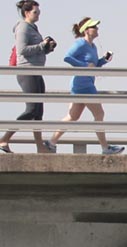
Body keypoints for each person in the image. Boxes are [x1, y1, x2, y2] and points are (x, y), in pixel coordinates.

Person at [47, 18, 123, 154]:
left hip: (84, 84)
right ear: (87, 30)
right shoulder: (80, 43)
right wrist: (84, 66)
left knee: (73, 116)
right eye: (94, 27)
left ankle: (51, 142)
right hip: (83, 85)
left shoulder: (93, 47)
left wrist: (103, 60)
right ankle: (105, 148)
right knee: (99, 114)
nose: (97, 29)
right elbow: (67, 57)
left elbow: (94, 66)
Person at [0, 1, 56, 154]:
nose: (38, 15)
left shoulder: (33, 28)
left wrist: (47, 48)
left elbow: (36, 50)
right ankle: (4, 139)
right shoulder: (23, 27)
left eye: (39, 12)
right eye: (35, 12)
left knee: (38, 112)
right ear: (27, 13)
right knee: (31, 109)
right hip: (27, 71)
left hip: (36, 72)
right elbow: (22, 50)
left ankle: (40, 147)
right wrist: (42, 45)